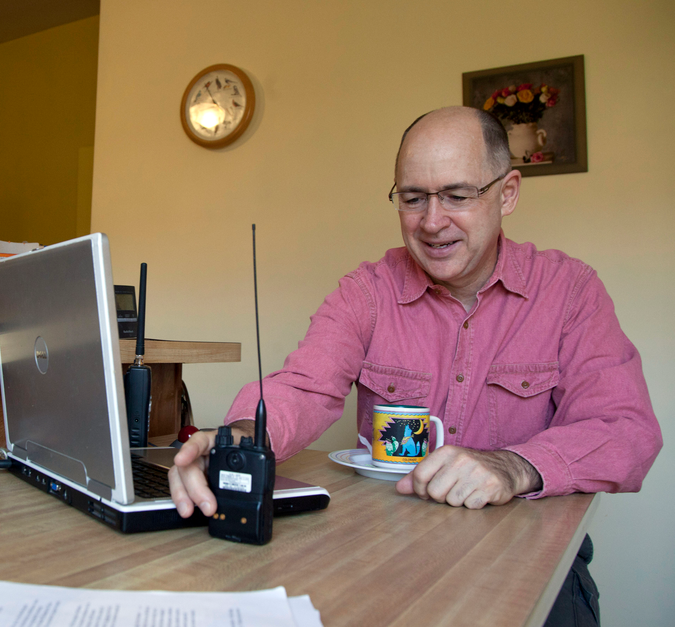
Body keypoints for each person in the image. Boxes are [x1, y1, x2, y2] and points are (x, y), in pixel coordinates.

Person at [167, 106, 662, 626]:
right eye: (413, 198)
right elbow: (303, 387)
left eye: (457, 195)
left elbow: (626, 430)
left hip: (529, 570)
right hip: (385, 561)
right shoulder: (368, 291)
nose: (431, 222)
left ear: (508, 193)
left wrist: (515, 466)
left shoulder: (570, 292)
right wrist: (240, 439)